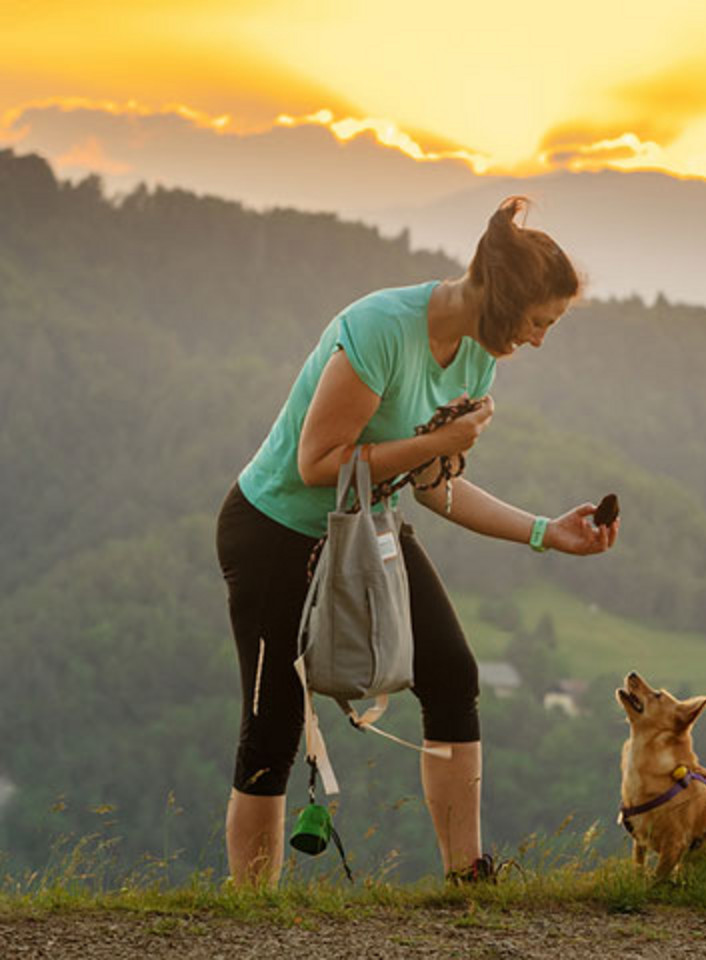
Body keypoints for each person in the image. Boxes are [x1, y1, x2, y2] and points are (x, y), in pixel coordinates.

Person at [215, 195, 619, 887]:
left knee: (453, 674)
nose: (538, 341)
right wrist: (438, 441)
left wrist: (547, 532)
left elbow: (433, 487)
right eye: (537, 322)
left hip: (367, 530)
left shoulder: (476, 360)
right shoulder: (381, 328)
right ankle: (250, 911)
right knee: (273, 726)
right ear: (501, 297)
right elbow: (317, 463)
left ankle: (468, 878)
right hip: (275, 533)